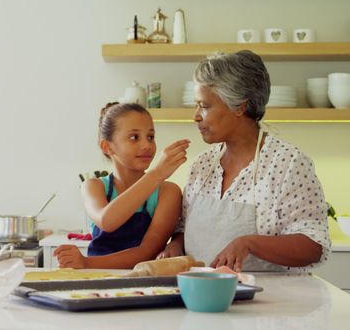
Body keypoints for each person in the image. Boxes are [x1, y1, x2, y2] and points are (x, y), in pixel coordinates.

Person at [158, 50, 330, 272]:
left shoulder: (289, 164)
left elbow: (313, 246)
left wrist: (249, 243)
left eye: (205, 106)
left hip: (271, 302)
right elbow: (185, 228)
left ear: (239, 106)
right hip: (202, 298)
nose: (196, 116)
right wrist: (176, 245)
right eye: (196, 105)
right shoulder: (202, 165)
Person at [55, 102, 190, 269]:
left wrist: (87, 262)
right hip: (96, 279)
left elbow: (147, 251)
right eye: (134, 137)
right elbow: (107, 221)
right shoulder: (93, 186)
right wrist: (157, 173)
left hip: (144, 284)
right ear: (107, 147)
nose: (147, 145)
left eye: (150, 137)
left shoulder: (168, 192)